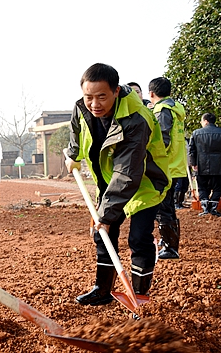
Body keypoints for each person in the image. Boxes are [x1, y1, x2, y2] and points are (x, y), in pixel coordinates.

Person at [65, 63, 170, 305]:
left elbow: (127, 174)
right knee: (103, 234)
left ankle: (139, 296)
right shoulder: (82, 108)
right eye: (89, 96)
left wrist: (106, 214)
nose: (94, 104)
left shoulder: (137, 119)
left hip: (145, 181)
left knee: (139, 238)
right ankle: (103, 289)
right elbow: (76, 131)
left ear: (116, 91)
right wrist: (73, 154)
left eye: (102, 96)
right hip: (109, 180)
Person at [148, 77, 187, 260]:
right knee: (167, 206)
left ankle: (170, 247)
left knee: (163, 207)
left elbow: (162, 140)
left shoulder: (163, 111)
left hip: (164, 166)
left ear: (151, 94)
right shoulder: (175, 109)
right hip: (175, 165)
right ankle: (168, 243)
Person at [188, 112, 221, 216]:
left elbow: (191, 150)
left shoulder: (196, 133)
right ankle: (213, 209)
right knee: (217, 187)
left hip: (201, 164)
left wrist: (193, 163)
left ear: (205, 121)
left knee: (202, 187)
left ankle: (205, 209)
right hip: (219, 165)